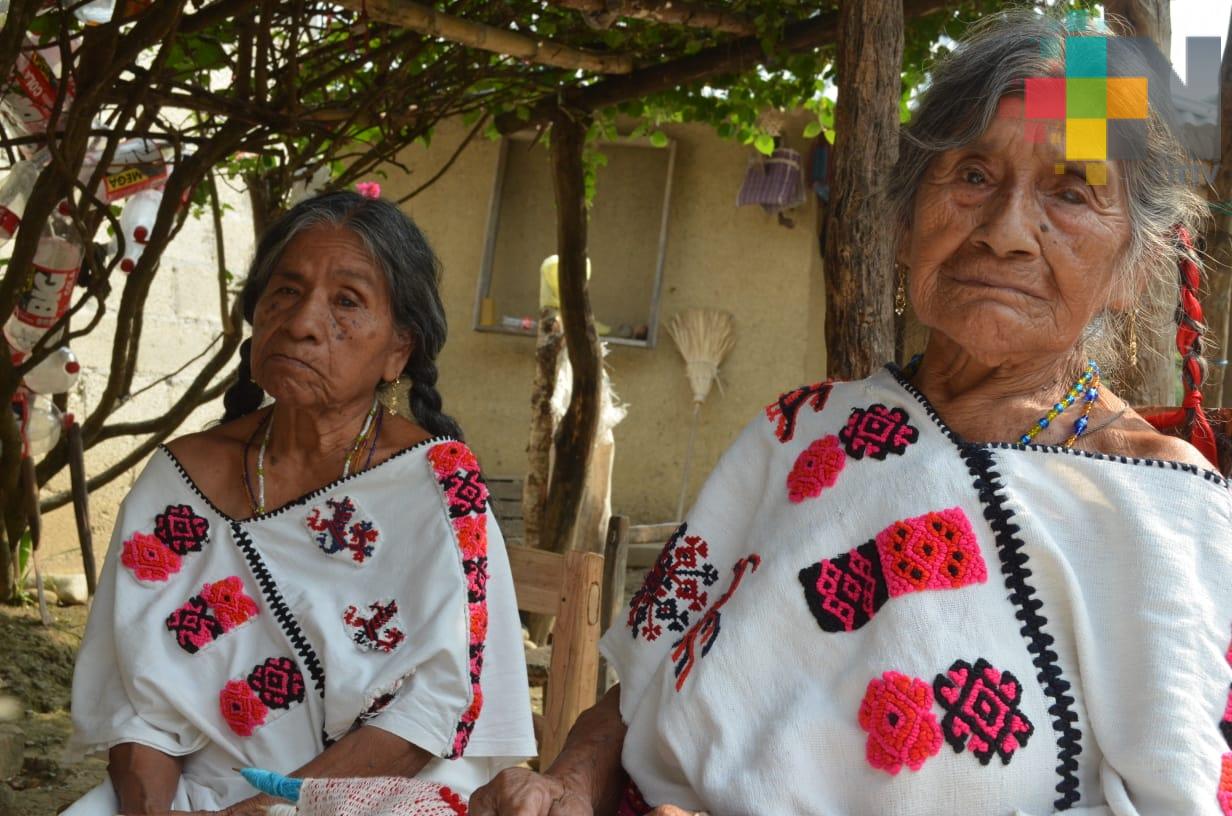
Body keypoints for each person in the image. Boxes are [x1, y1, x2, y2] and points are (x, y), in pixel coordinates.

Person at [469, 10, 1232, 816]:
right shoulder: (803, 432)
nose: (1006, 232)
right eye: (972, 175)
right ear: (906, 223)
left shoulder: (1161, 501)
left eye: (1072, 192)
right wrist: (570, 781)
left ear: (1134, 269)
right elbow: (643, 682)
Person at [64, 190, 536, 815]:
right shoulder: (178, 480)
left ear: (399, 350)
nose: (302, 322)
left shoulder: (439, 487)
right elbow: (139, 704)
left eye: (346, 302)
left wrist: (263, 812)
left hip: (376, 799)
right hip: (193, 796)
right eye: (285, 291)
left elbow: (432, 709)